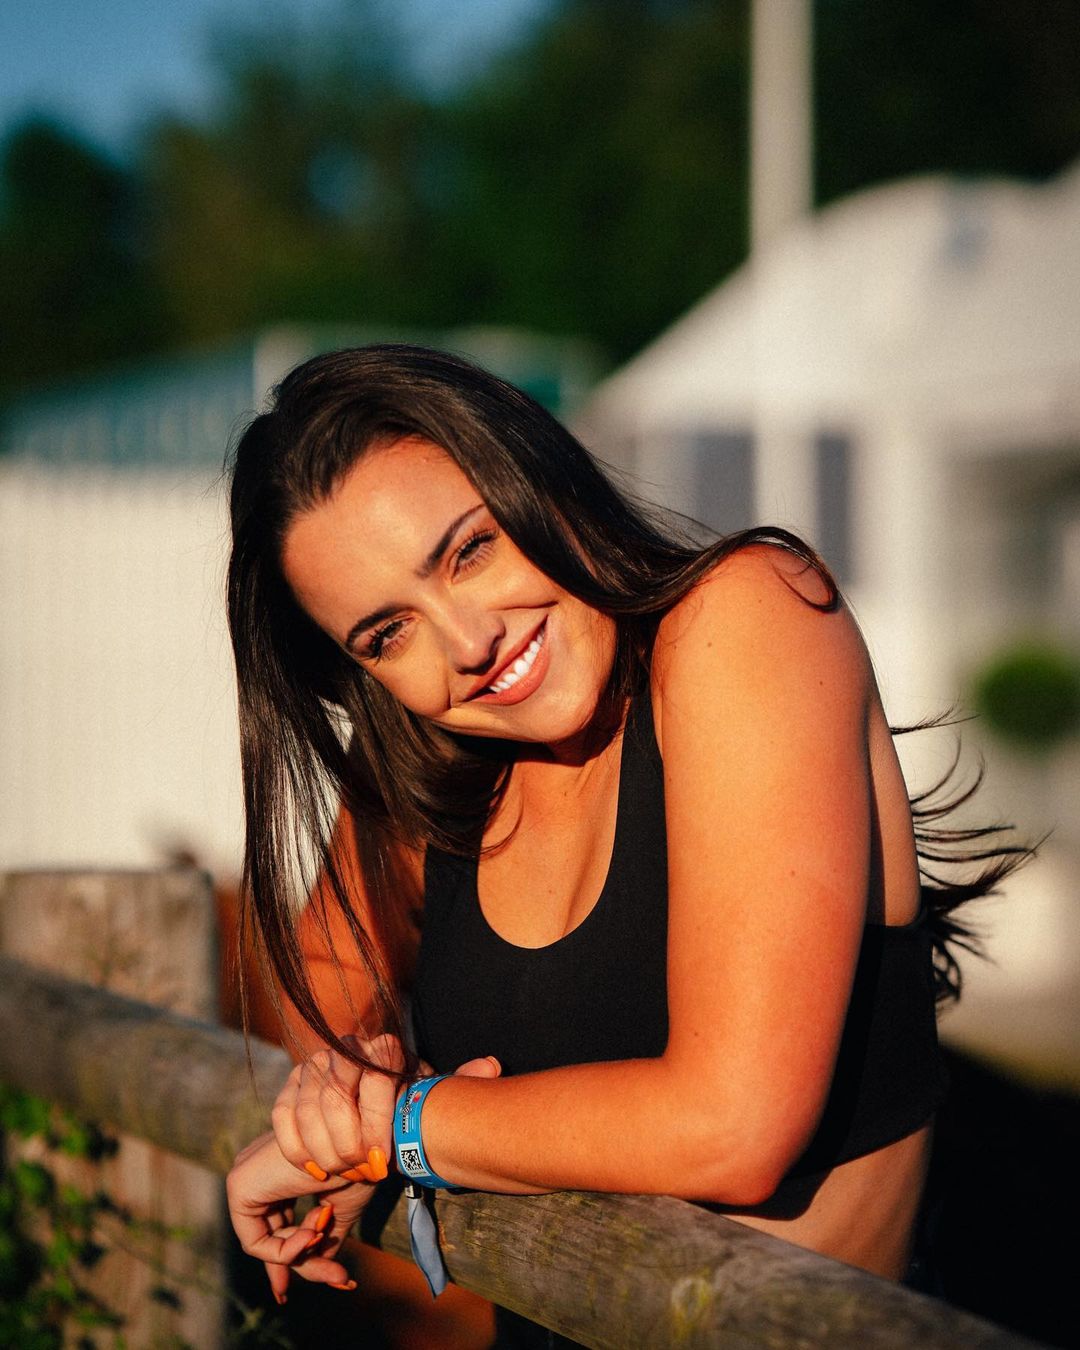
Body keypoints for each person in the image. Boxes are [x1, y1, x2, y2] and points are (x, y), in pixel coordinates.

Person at [223, 344, 1028, 1337]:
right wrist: (341, 1096)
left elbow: (733, 1128)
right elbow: (323, 975)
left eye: (469, 551)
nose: (466, 643)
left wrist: (404, 1126)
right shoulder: (429, 756)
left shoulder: (748, 614)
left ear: (538, 480)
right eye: (388, 633)